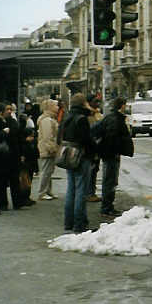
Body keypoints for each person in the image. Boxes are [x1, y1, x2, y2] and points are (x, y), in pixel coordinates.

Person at [60, 93, 97, 233]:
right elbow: (86, 140)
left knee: (71, 189)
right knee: (81, 190)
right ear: (83, 103)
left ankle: (68, 222)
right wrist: (94, 151)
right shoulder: (82, 119)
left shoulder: (68, 117)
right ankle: (79, 223)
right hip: (82, 157)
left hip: (69, 156)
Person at [95, 97, 134, 217]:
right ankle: (107, 208)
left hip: (109, 154)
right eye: (125, 105)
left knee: (110, 180)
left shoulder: (110, 117)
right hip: (111, 155)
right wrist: (116, 150)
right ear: (122, 106)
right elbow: (112, 138)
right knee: (110, 181)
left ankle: (107, 206)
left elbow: (97, 130)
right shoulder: (115, 119)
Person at [36, 99, 60, 200]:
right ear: (50, 107)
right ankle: (42, 192)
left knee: (49, 171)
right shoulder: (47, 120)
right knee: (46, 171)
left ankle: (47, 191)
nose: (58, 107)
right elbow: (48, 137)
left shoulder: (49, 118)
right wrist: (52, 148)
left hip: (48, 148)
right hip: (47, 149)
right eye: (56, 105)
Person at [86, 94, 104, 203]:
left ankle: (91, 192)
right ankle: (89, 193)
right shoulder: (88, 115)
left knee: (94, 170)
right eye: (95, 101)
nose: (97, 103)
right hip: (91, 147)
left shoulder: (97, 114)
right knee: (91, 171)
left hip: (97, 146)